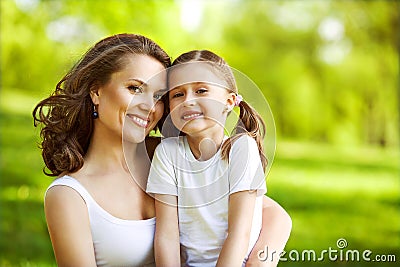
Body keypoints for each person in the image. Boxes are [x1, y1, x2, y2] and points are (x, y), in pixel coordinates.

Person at [33, 34, 290, 267]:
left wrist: (260, 260)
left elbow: (271, 213)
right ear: (96, 91)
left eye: (158, 96)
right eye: (134, 88)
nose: (148, 106)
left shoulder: (172, 155)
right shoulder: (70, 195)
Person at [147, 50, 289, 267]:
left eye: (201, 90)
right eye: (178, 94)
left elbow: (238, 234)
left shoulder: (241, 149)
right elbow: (167, 236)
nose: (188, 101)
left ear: (229, 101)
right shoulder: (167, 153)